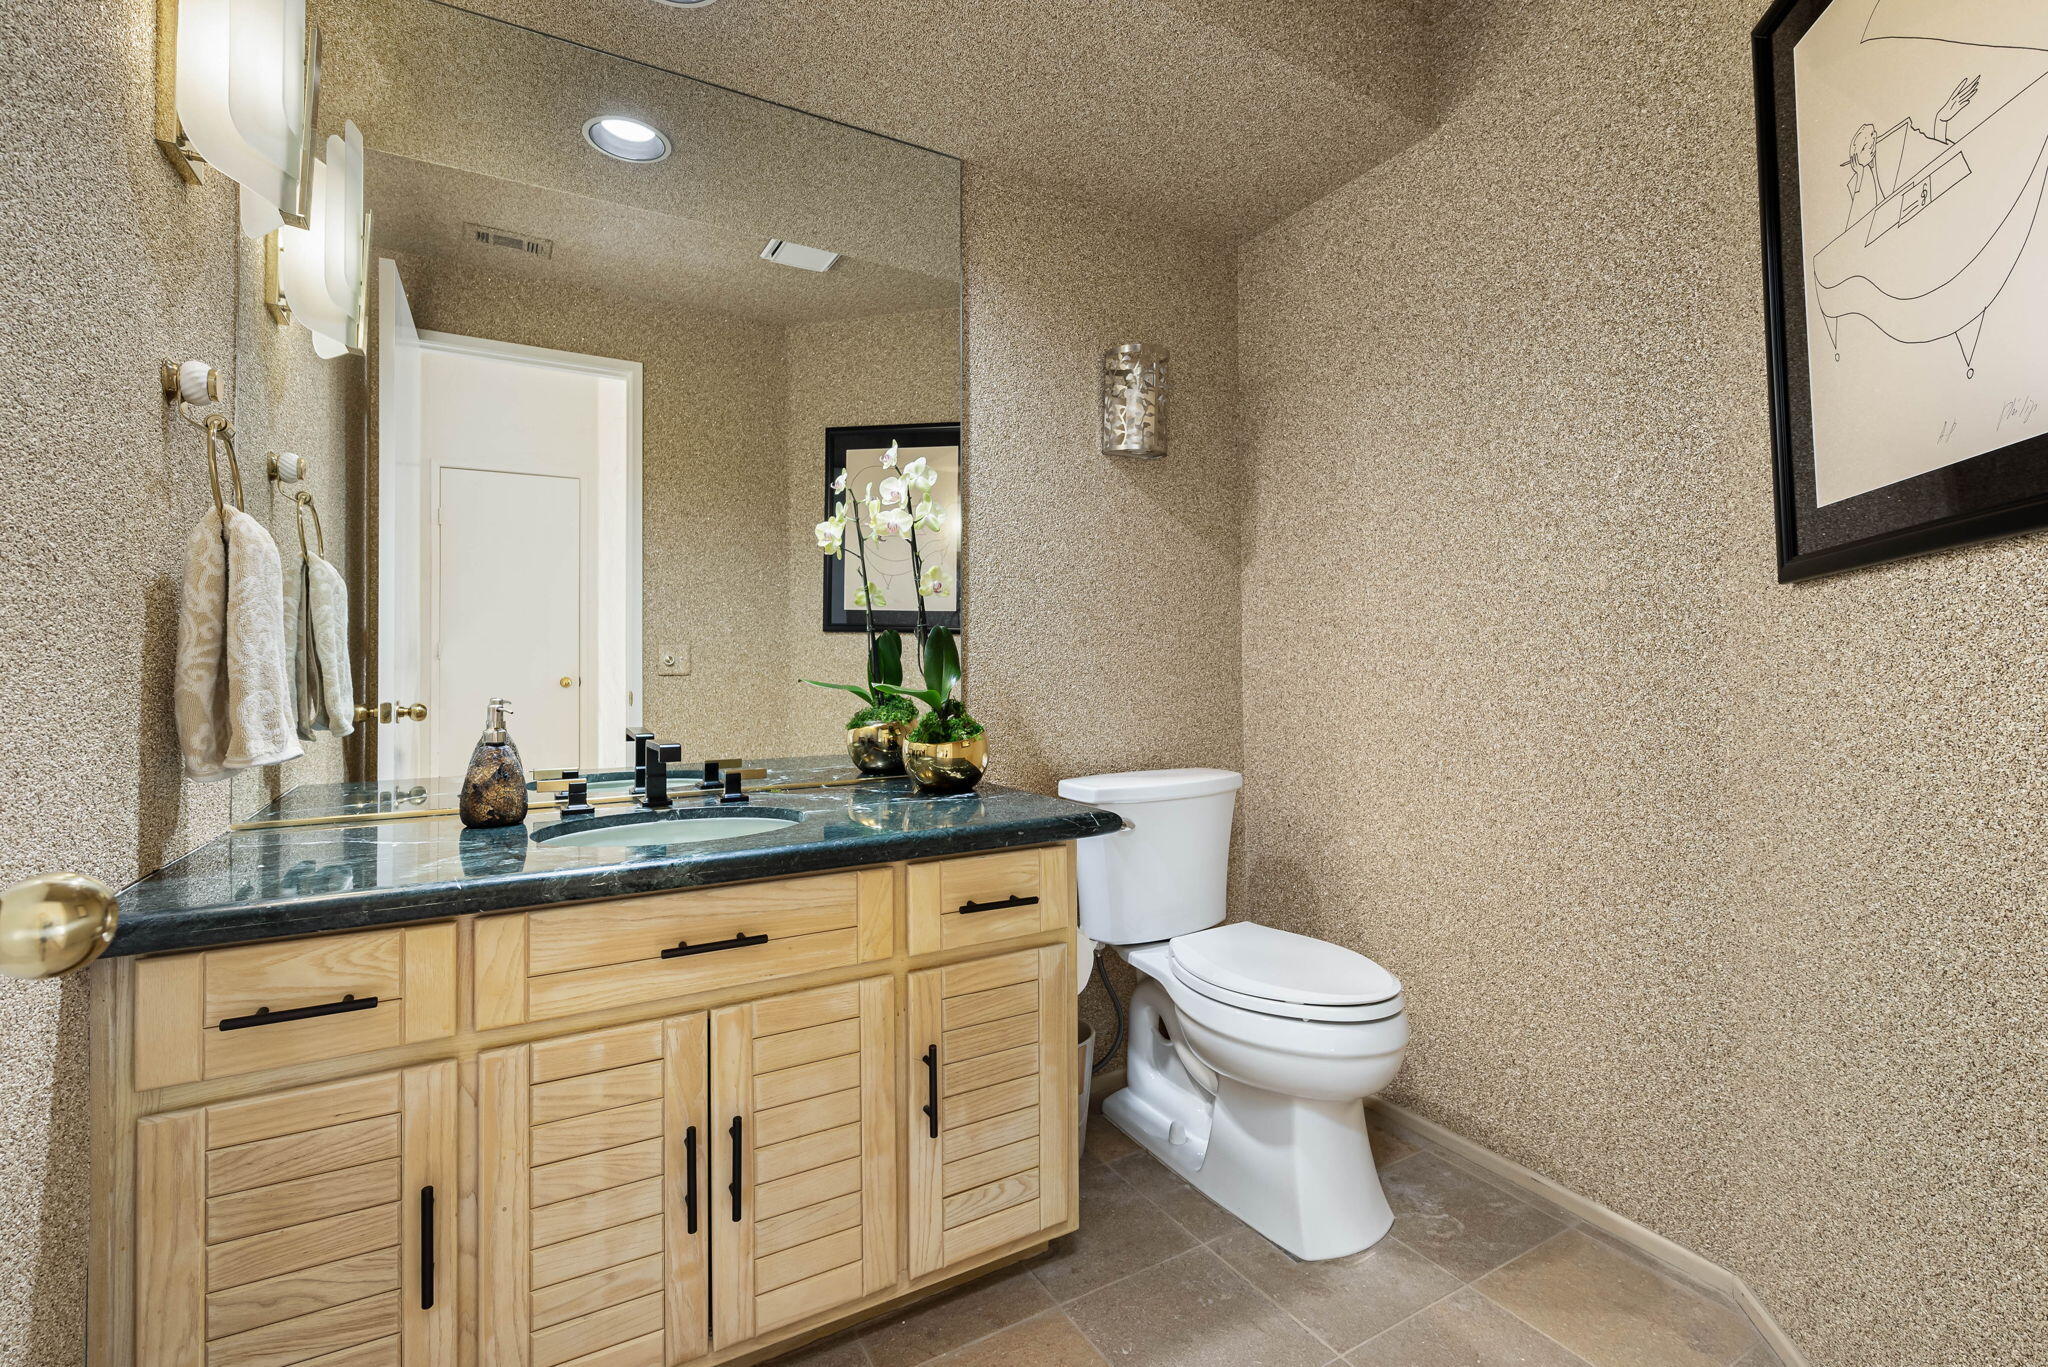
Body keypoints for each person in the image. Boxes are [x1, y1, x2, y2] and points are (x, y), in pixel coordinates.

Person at [1841, 74, 1981, 228]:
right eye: (1861, 149)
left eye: (1869, 141)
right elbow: (1857, 227)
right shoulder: (1862, 180)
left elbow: (1940, 159)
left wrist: (1940, 121)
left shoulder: (1899, 144)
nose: (1870, 147)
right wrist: (1860, 176)